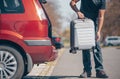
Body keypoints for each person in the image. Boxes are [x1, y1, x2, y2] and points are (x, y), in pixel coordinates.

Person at [70, 0, 108, 78]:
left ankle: (99, 70)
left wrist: (98, 31)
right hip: (83, 21)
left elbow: (101, 16)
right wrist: (78, 12)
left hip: (94, 23)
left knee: (96, 46)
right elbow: (72, 2)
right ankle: (87, 71)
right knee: (85, 45)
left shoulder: (102, 1)